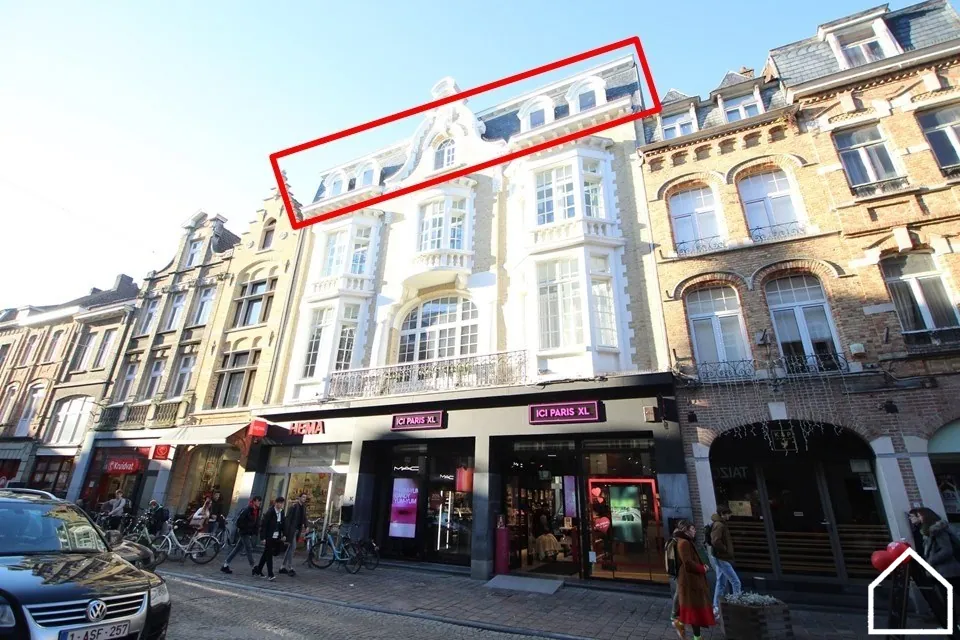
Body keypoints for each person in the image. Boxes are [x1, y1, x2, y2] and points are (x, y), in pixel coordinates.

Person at [910, 507, 960, 633]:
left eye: (920, 516)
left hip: (948, 571)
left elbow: (947, 550)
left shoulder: (938, 531)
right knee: (947, 598)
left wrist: (930, 561)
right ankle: (952, 625)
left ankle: (952, 625)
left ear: (926, 516)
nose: (919, 518)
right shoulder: (927, 532)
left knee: (949, 598)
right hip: (941, 571)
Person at [672, 520, 716, 640]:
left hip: (691, 579)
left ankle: (689, 630)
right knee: (694, 608)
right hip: (690, 580)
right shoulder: (684, 543)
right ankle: (692, 633)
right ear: (686, 530)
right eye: (692, 529)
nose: (695, 531)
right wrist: (702, 568)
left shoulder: (685, 541)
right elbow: (688, 563)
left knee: (693, 608)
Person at [708, 506, 741, 617]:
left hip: (719, 557)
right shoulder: (719, 525)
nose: (729, 516)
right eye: (728, 514)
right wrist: (725, 549)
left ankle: (716, 608)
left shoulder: (719, 524)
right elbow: (716, 541)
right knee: (735, 582)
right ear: (723, 514)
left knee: (721, 582)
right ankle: (737, 606)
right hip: (721, 557)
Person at [221, 496, 262, 574]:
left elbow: (255, 522)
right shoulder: (247, 509)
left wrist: (254, 531)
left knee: (237, 548)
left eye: (260, 501)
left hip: (248, 532)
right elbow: (239, 521)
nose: (259, 503)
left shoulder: (256, 510)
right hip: (244, 532)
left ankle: (225, 565)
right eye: (258, 501)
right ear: (254, 501)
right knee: (248, 548)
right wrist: (246, 529)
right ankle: (253, 566)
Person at [255, 496, 286, 581]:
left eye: (282, 503)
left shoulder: (282, 512)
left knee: (266, 554)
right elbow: (264, 525)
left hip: (276, 536)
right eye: (280, 503)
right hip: (269, 536)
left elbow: (283, 524)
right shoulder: (270, 512)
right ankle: (270, 574)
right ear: (276, 503)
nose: (281, 505)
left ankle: (258, 570)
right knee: (269, 555)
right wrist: (263, 538)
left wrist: (284, 534)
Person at [280, 493, 308, 576]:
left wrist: (306, 526)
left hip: (297, 530)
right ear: (299, 497)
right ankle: (290, 567)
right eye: (303, 497)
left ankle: (282, 566)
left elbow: (304, 517)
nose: (304, 499)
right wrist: (286, 533)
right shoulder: (294, 506)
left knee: (289, 548)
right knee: (293, 547)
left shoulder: (303, 507)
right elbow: (288, 519)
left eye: (305, 497)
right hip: (291, 530)